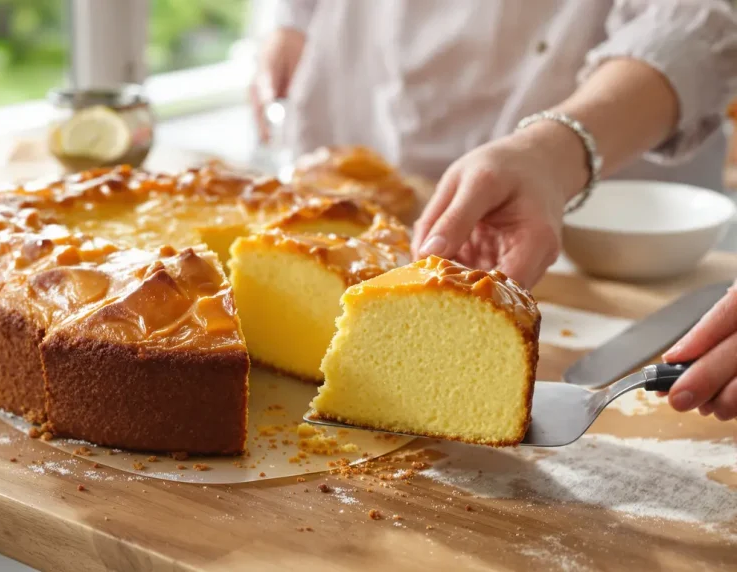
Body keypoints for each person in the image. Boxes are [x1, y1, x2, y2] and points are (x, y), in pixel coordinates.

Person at [250, 0, 737, 420]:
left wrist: (553, 154)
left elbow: (692, 18)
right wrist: (291, 19)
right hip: (355, 98)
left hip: (595, 197)